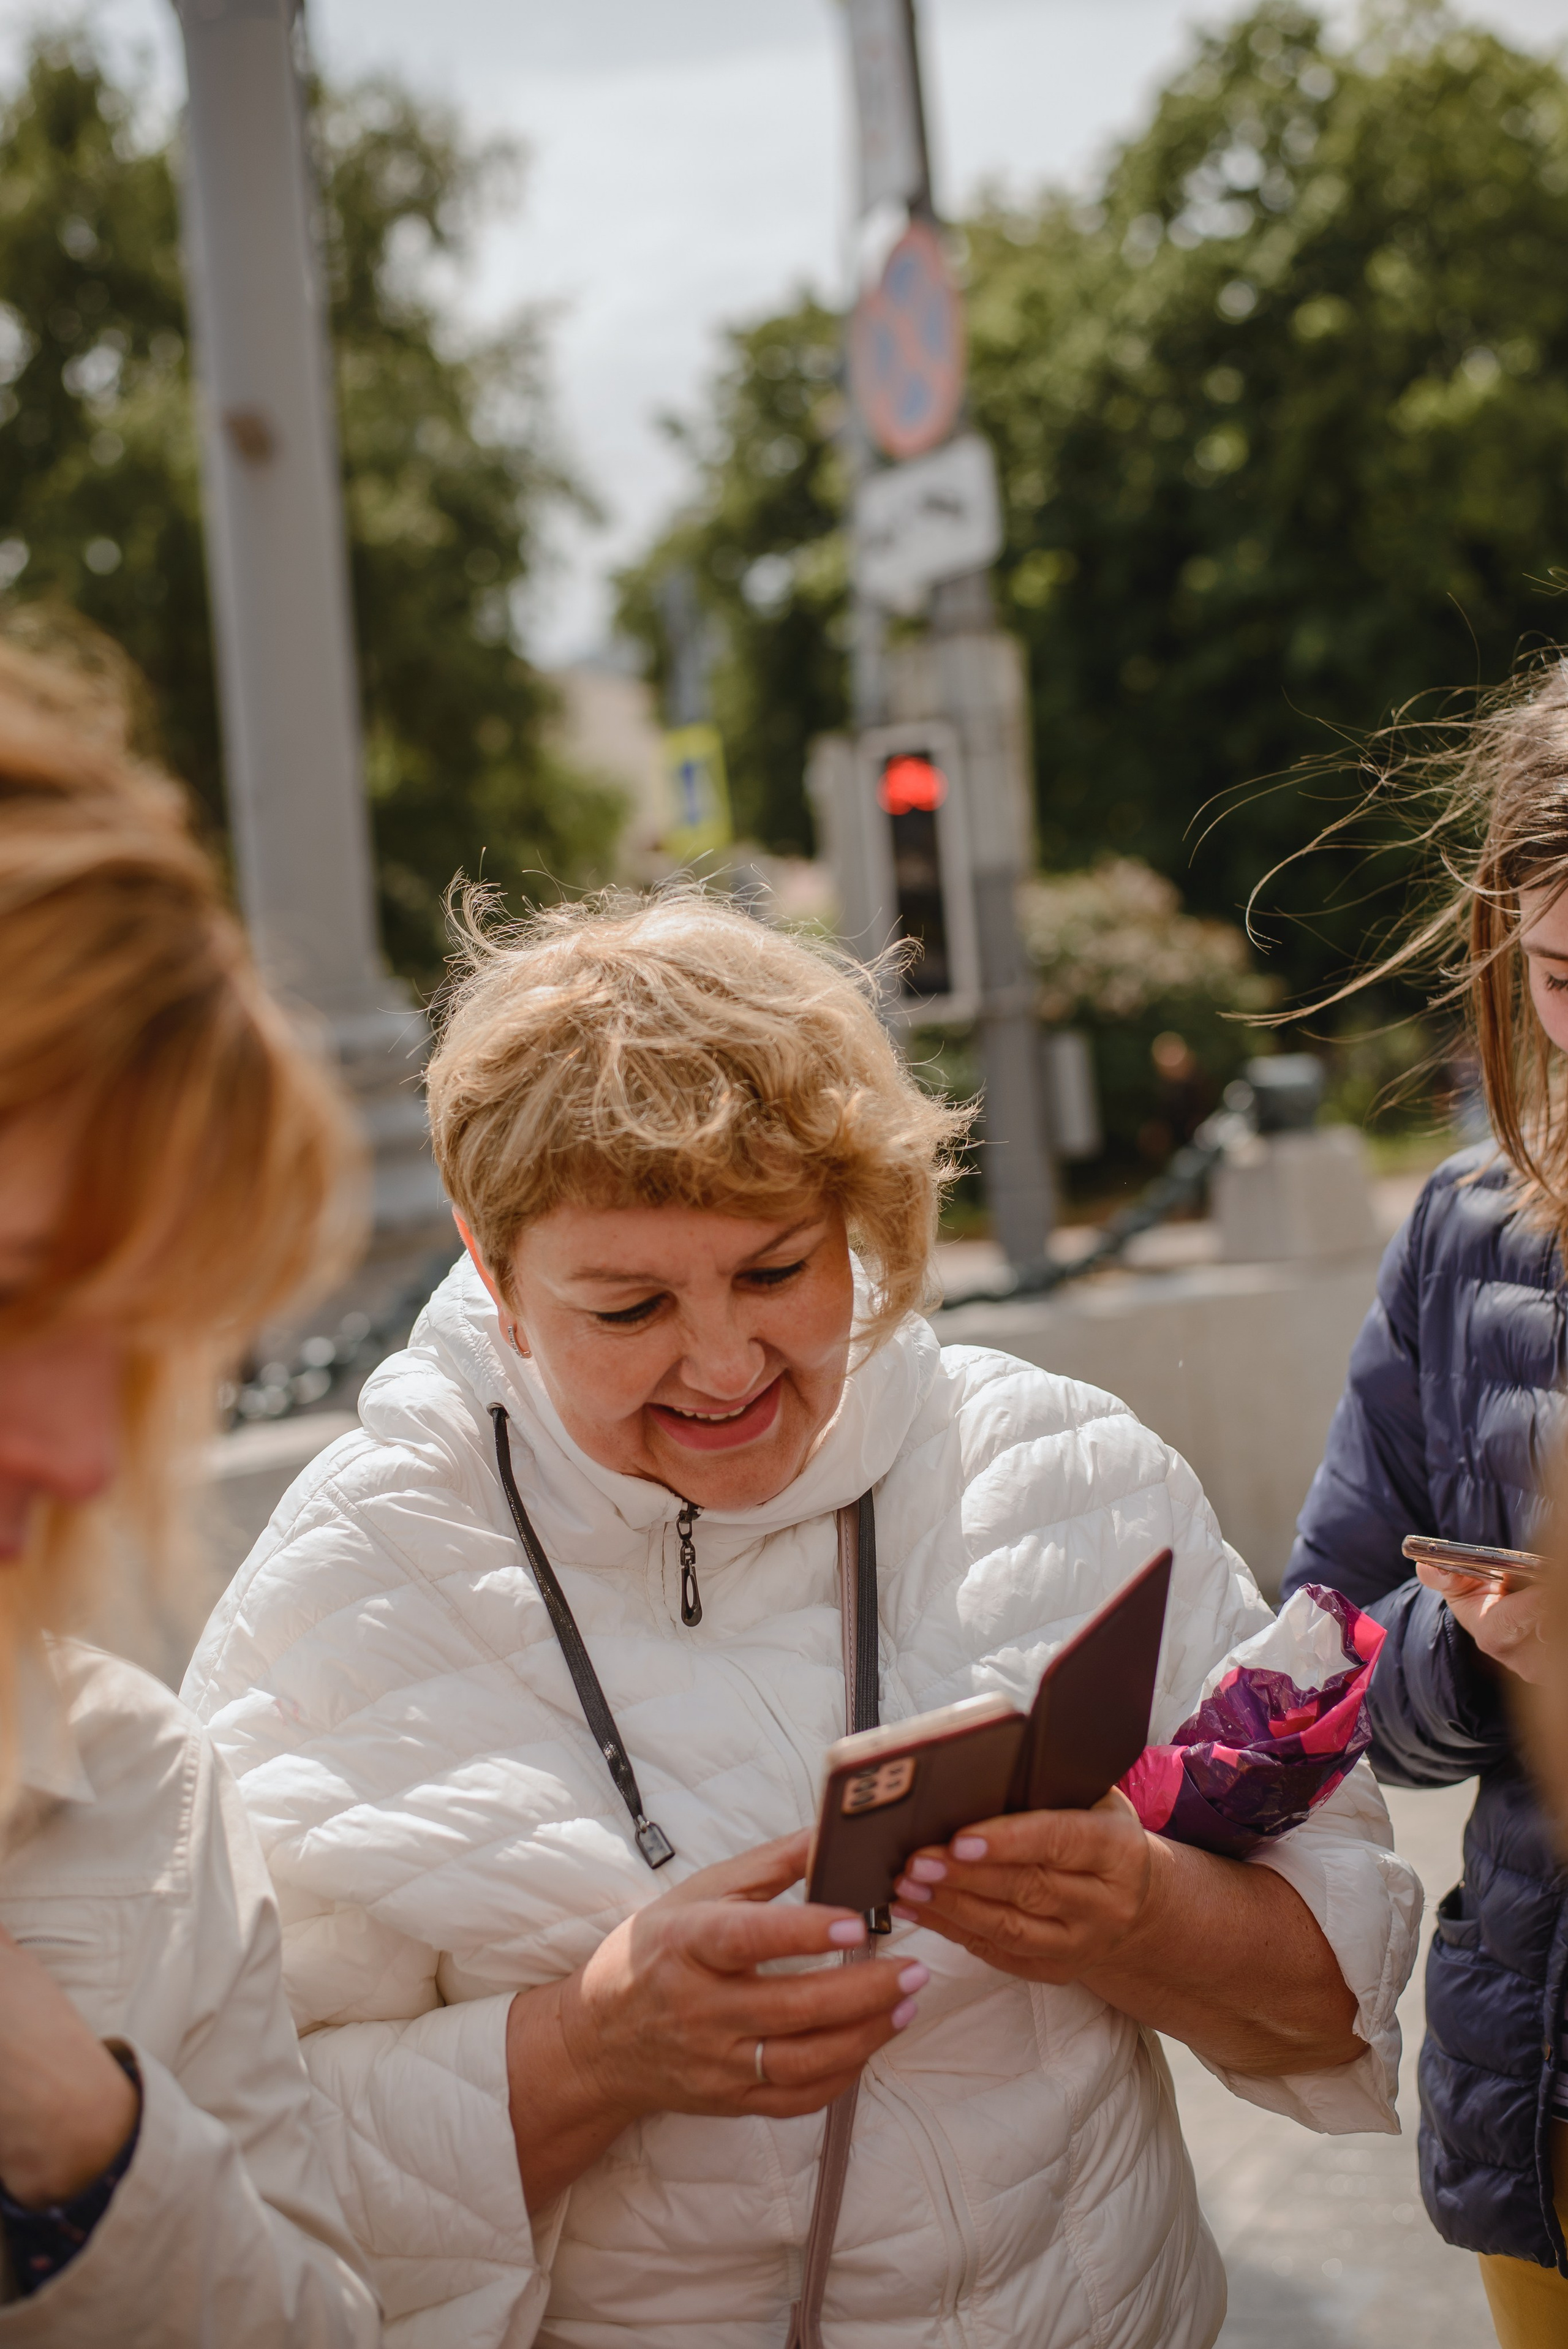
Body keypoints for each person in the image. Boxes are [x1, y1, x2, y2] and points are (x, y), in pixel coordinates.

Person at [185, 890, 1420, 2349]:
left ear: (866, 1220)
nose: (721, 1364)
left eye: (776, 1269)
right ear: (494, 1271)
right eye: (627, 1305)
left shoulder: (1062, 1471)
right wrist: (586, 2049)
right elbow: (222, 2186)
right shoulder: (354, 1578)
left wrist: (1140, 1913)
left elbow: (1329, 2007)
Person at [0, 637, 380, 2343]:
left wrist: (84, 2142)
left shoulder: (133, 1791)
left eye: (140, 1347)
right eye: (12, 1294)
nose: (84, 1453)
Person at [1283, 666, 1568, 2347]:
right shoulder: (1468, 1233)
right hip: (1537, 2093)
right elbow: (1326, 1652)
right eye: (1558, 976)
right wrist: (1480, 1658)